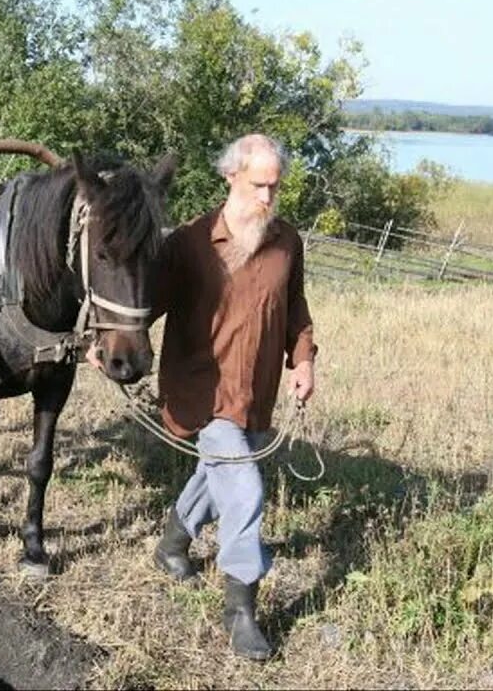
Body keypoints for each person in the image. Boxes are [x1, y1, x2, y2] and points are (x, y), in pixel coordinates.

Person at [142, 134, 317, 660]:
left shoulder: (286, 242)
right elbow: (142, 305)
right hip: (200, 387)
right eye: (259, 185)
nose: (267, 198)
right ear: (231, 177)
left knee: (216, 474)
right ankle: (241, 610)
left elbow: (295, 307)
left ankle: (172, 544)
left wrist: (303, 359)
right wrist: (103, 347)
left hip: (256, 389)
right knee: (243, 488)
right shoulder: (190, 242)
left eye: (275, 187)